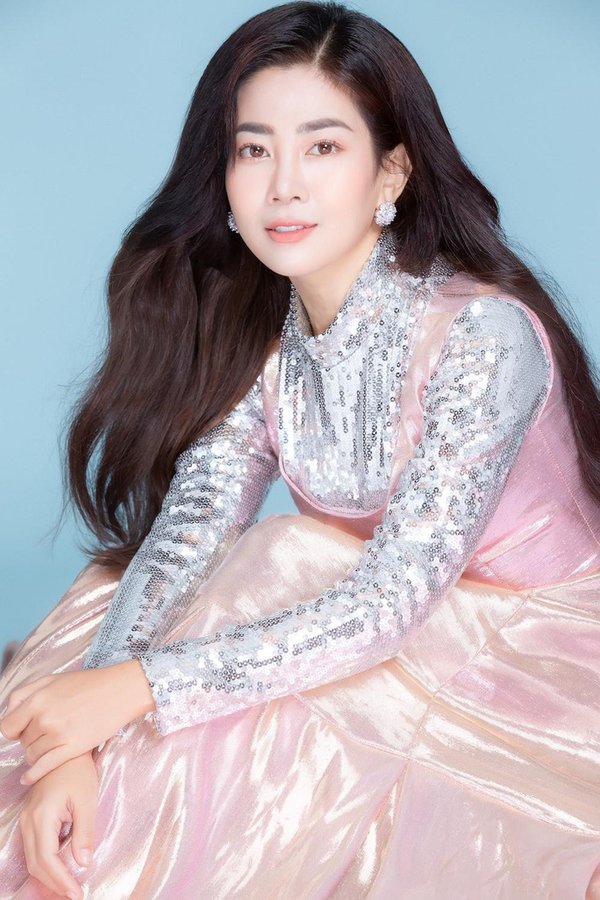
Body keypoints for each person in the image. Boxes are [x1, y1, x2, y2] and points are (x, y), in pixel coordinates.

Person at [1, 1, 599, 897]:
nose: (283, 186)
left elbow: (389, 601)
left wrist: (139, 688)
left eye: (322, 147)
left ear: (391, 170)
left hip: (536, 655)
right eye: (254, 150)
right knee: (155, 602)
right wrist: (75, 741)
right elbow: (190, 535)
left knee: (280, 565)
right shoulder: (268, 343)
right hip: (390, 632)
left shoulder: (483, 335)